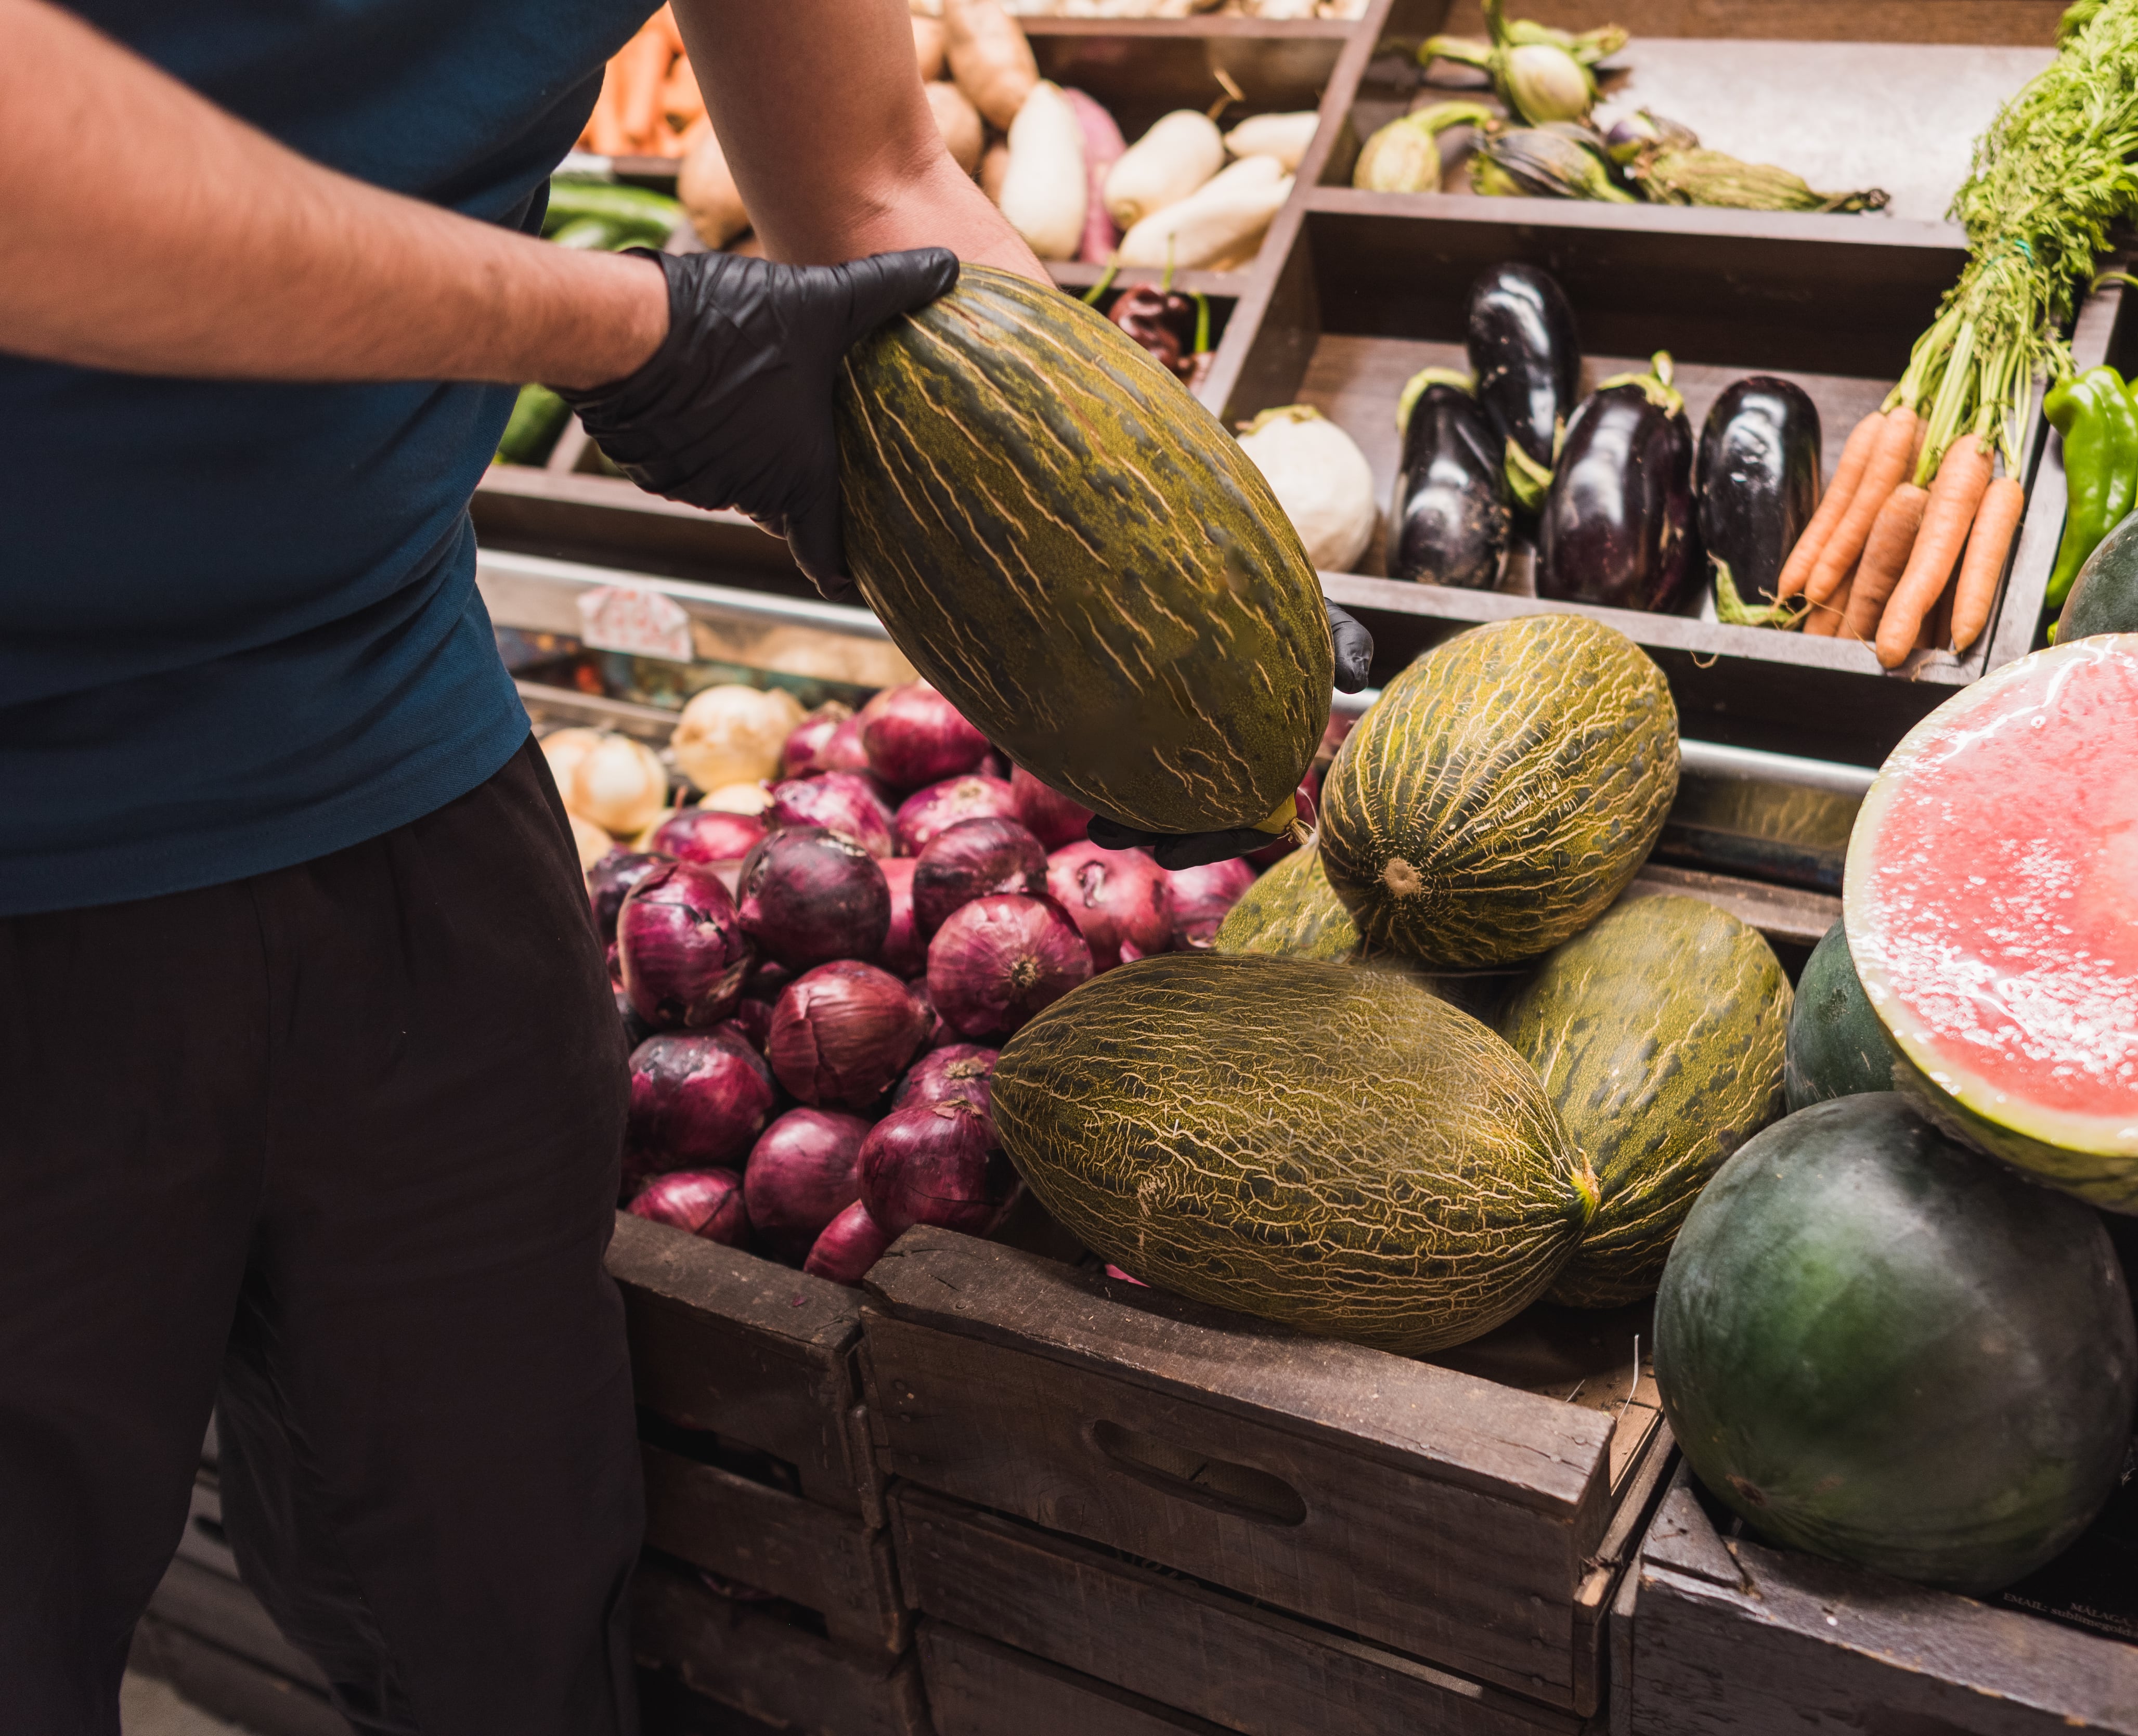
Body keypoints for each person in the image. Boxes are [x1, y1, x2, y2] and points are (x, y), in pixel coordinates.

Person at [0, 3, 1366, 1731]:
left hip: (403, 774)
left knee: (503, 1594)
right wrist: (628, 326)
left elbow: (875, 178)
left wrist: (1167, 566)